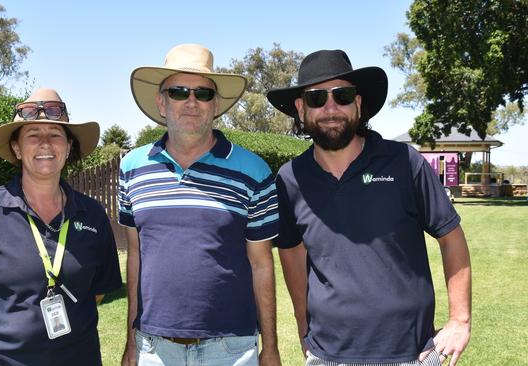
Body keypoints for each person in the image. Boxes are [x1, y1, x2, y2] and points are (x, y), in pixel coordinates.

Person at [266, 50, 472, 366]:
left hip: (411, 354)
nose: (330, 108)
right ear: (300, 109)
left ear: (358, 104)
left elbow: (451, 236)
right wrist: (302, 323)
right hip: (327, 355)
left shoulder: (405, 162)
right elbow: (291, 252)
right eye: (317, 98)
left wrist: (460, 319)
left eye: (343, 96)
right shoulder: (290, 179)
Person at [0, 88, 122, 365]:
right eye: (33, 135)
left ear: (68, 147)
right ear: (17, 149)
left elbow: (96, 293)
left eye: (55, 134)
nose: (45, 143)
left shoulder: (91, 215)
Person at [119, 44, 281, 366]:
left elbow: (262, 265)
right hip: (154, 348)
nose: (192, 102)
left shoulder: (254, 171)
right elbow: (136, 257)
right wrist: (130, 342)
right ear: (162, 102)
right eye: (179, 92)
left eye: (203, 94)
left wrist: (271, 348)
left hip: (232, 349)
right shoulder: (132, 167)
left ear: (216, 105)